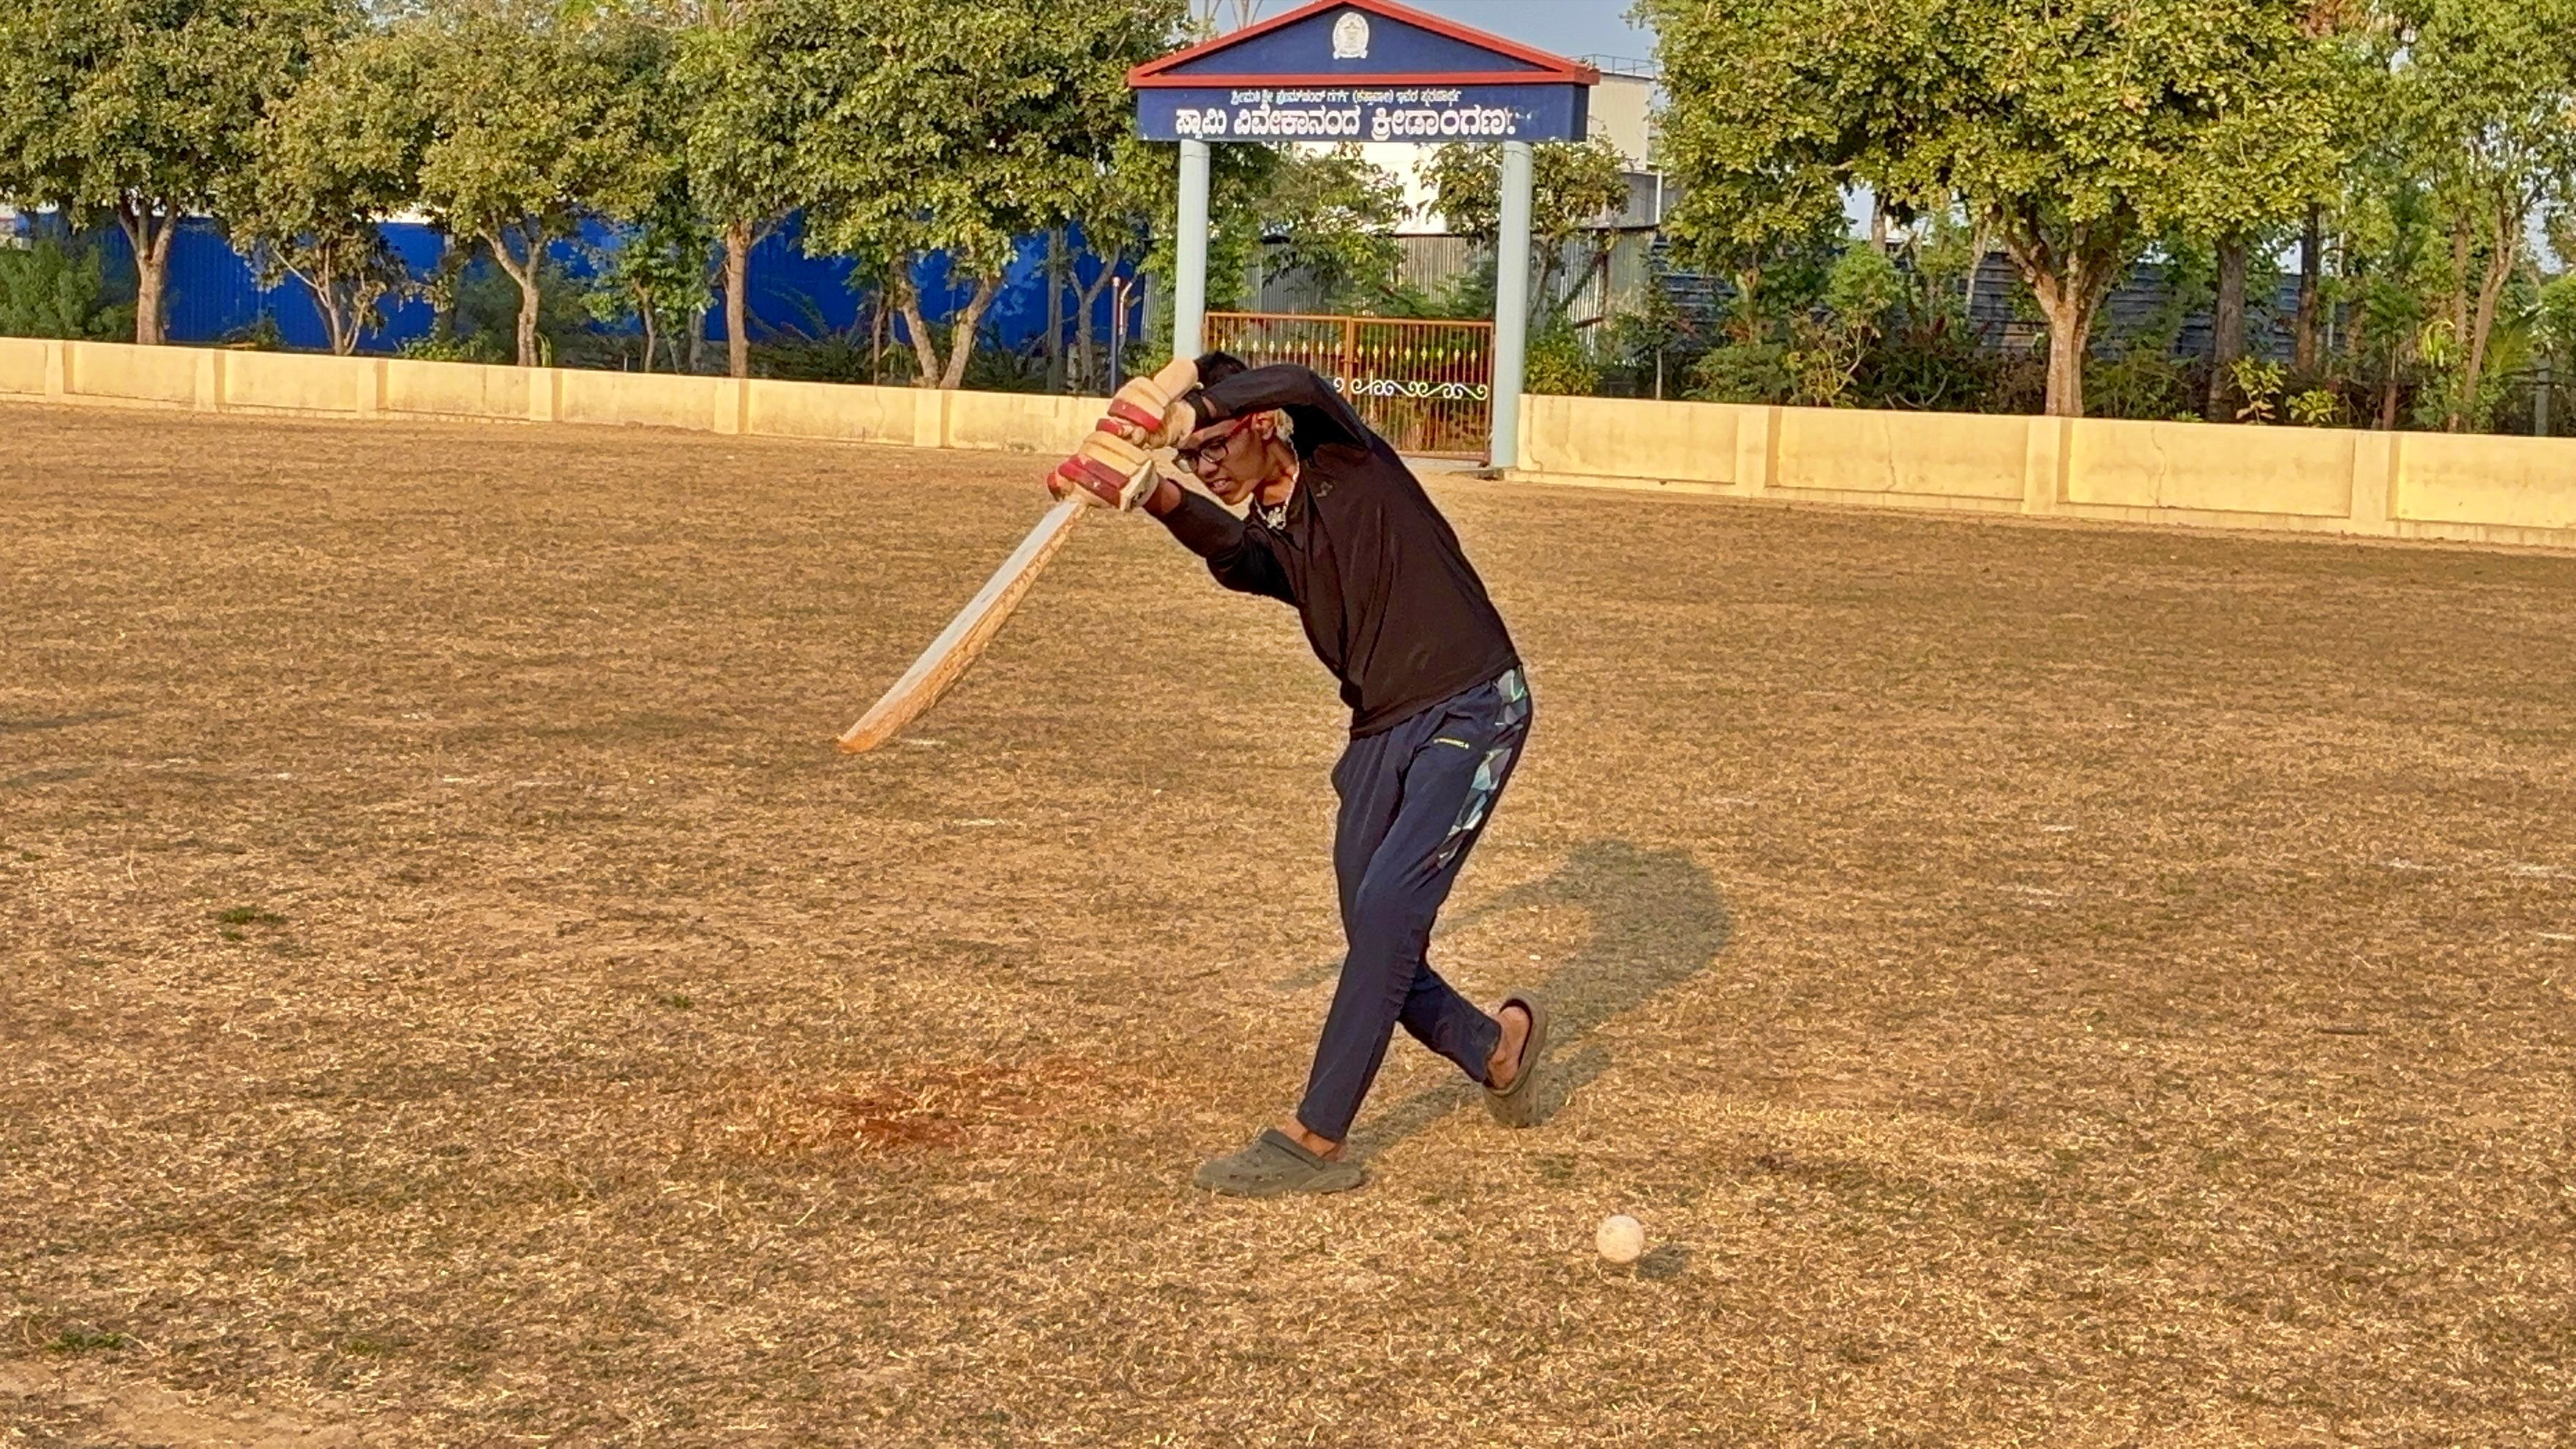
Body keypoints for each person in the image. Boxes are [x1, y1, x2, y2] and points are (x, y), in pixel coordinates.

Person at [1051, 352, 1545, 1197]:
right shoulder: (1275, 534)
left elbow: (1303, 385)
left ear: (1258, 426)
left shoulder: (1345, 460)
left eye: (1212, 448)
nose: (1205, 466)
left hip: (1471, 707)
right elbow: (1242, 559)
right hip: (1377, 733)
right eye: (1190, 458)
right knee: (1376, 933)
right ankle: (1493, 1047)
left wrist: (1178, 403)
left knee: (1389, 909)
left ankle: (1314, 1136)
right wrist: (1151, 497)